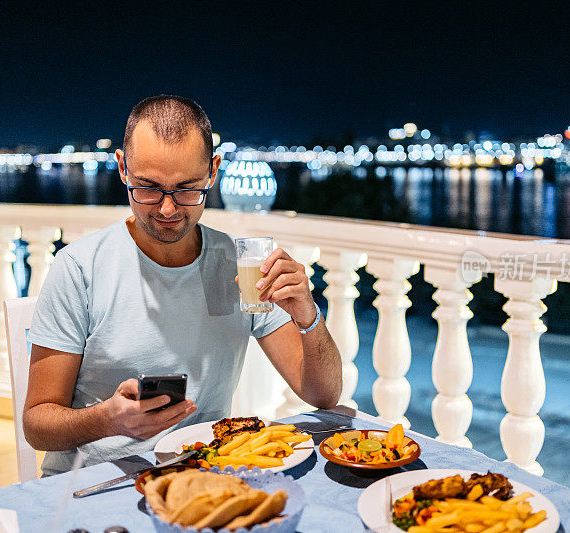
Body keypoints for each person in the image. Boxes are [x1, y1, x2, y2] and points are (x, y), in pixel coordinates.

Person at [23, 95, 342, 475]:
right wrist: (108, 419)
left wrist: (307, 315)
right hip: (94, 484)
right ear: (123, 169)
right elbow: (37, 425)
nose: (167, 209)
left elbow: (323, 394)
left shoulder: (238, 264)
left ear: (213, 171)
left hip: (203, 476)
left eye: (188, 189)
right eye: (148, 187)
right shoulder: (79, 268)